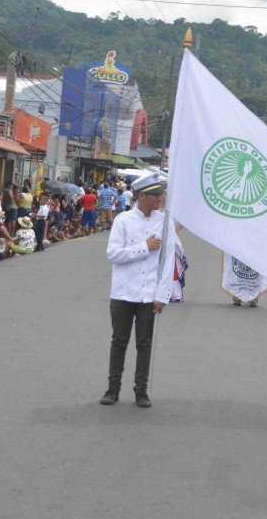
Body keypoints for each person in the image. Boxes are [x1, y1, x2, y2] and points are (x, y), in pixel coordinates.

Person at [99, 173, 171, 409]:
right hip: (122, 292)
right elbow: (113, 254)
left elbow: (168, 260)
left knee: (145, 343)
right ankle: (113, 388)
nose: (160, 198)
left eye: (161, 194)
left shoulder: (165, 222)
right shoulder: (123, 220)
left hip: (148, 294)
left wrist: (162, 295)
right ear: (142, 196)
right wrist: (144, 247)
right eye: (155, 194)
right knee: (119, 341)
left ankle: (141, 391)